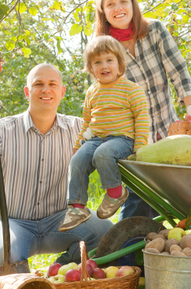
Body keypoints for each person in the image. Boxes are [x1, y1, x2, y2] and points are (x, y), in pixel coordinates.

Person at [0, 64, 113, 266]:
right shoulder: (2, 131)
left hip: (61, 220)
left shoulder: (79, 129)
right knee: (2, 253)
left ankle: (61, 273)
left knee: (105, 233)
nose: (46, 89)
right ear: (27, 92)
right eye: (38, 84)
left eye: (52, 84)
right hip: (14, 223)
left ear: (62, 91)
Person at [93, 0, 191, 219]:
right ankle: (128, 252)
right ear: (104, 12)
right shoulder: (102, 48)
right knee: (139, 200)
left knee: (181, 193)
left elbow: (178, 70)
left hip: (168, 128)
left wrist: (190, 104)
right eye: (110, 4)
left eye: (123, 1)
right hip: (134, 137)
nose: (118, 8)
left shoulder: (155, 30)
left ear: (132, 4)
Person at [59, 36, 150, 231]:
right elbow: (87, 122)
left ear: (119, 63)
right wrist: (78, 145)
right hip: (96, 139)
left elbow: (142, 118)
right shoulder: (92, 91)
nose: (104, 66)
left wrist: (140, 146)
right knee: (77, 161)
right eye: (97, 62)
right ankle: (77, 207)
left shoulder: (131, 90)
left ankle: (116, 193)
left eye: (109, 60)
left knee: (103, 154)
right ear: (91, 68)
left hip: (123, 140)